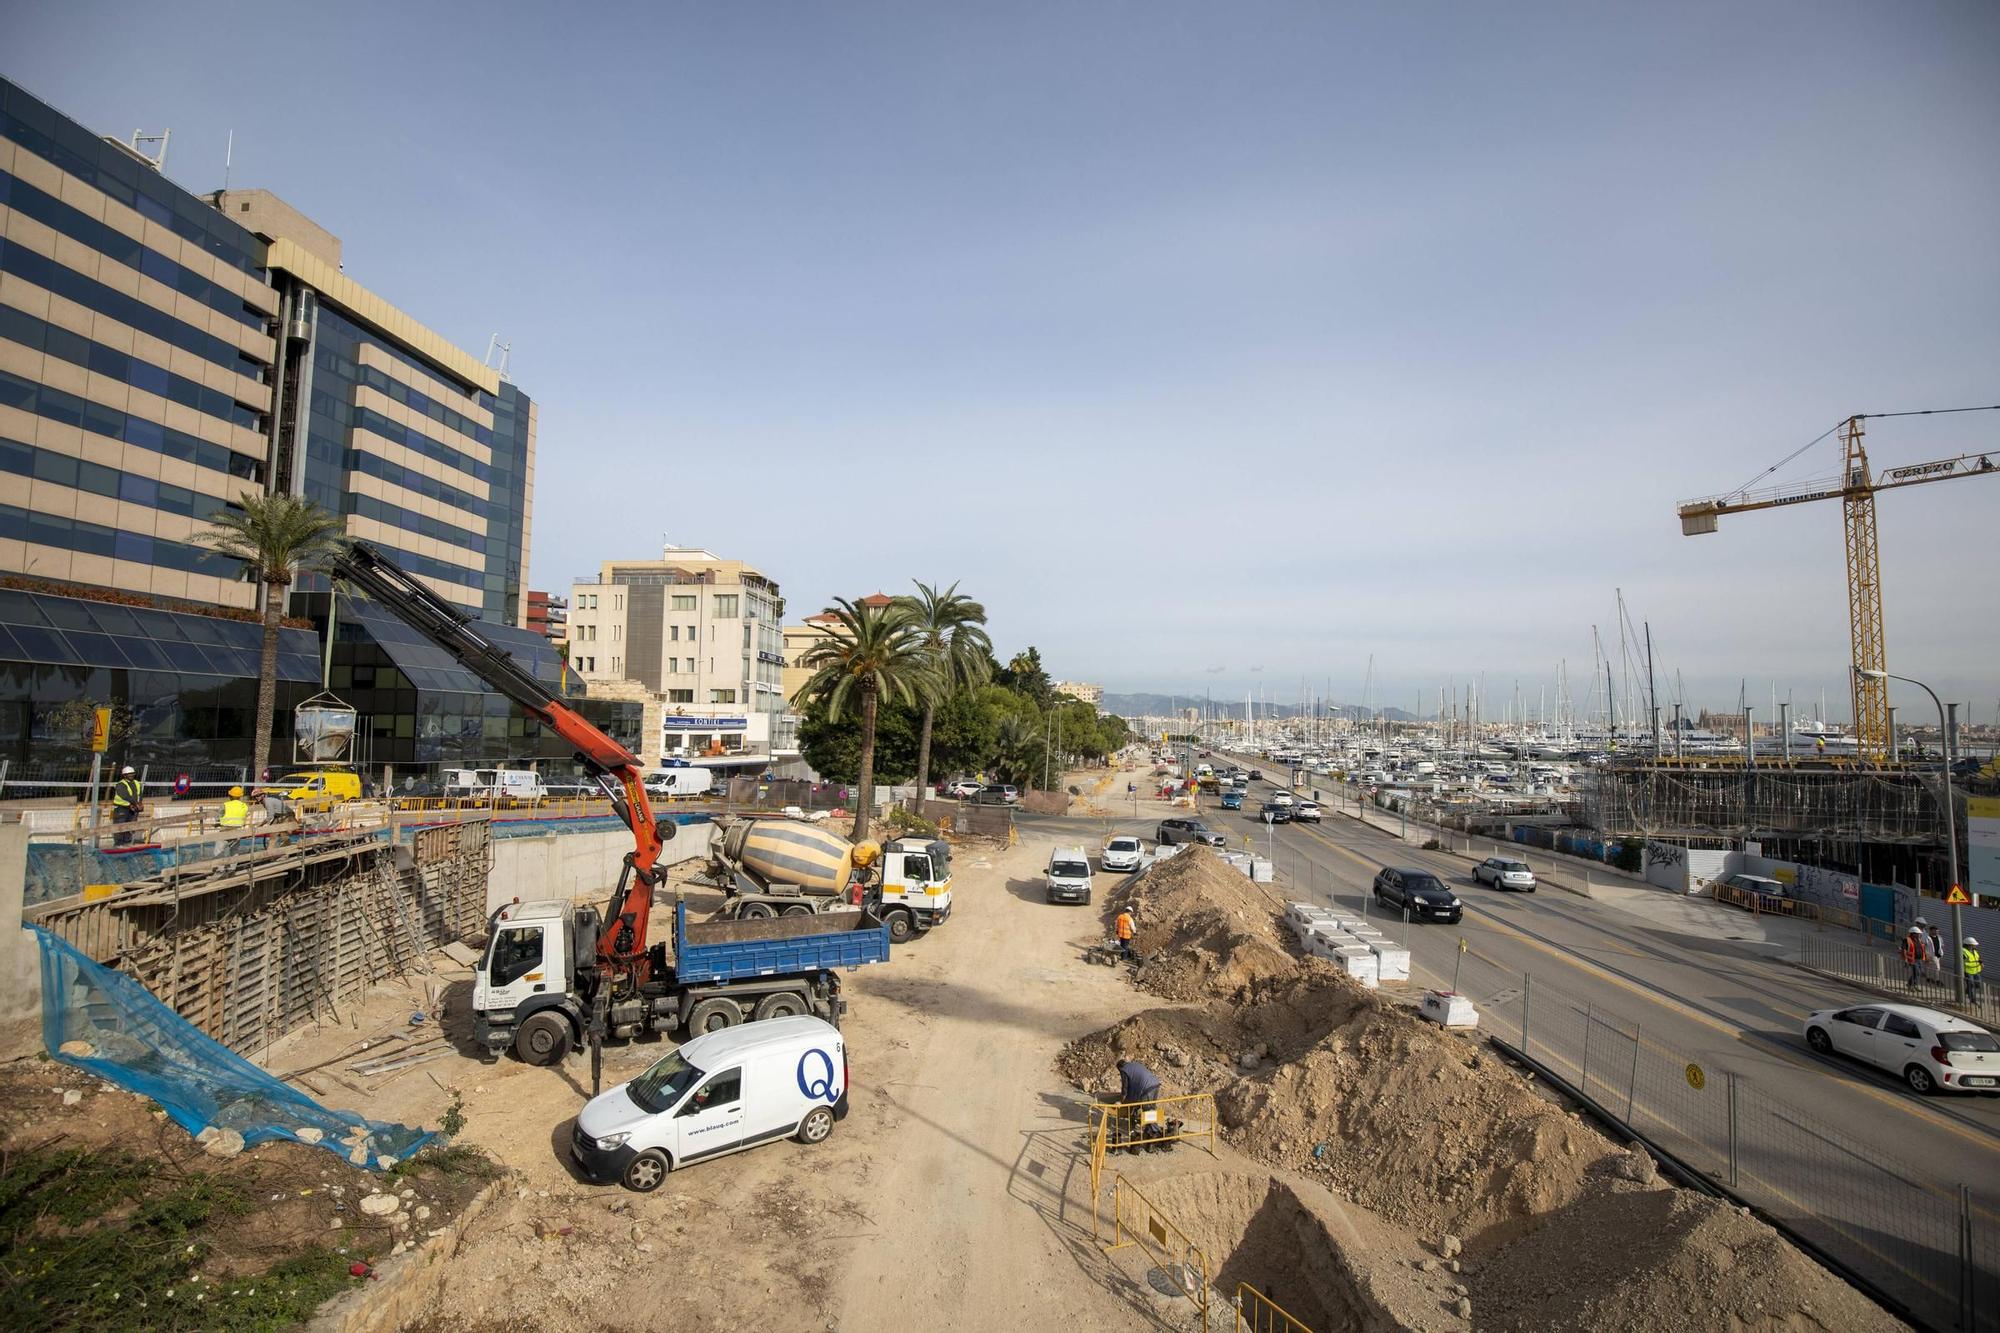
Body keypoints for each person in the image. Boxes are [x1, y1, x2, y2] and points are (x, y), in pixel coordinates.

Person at [109, 765, 144, 845]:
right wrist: (134, 804)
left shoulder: (137, 783)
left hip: (132, 808)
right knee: (120, 826)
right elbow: (125, 796)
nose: (131, 775)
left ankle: (127, 842)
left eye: (132, 773)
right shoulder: (120, 784)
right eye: (129, 774)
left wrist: (140, 803)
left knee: (130, 825)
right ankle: (119, 844)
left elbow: (140, 795)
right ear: (124, 775)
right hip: (121, 808)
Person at [1964, 936, 1984, 1005]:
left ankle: (1967, 991)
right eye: (1974, 944)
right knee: (1971, 985)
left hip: (1976, 971)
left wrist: (1981, 963)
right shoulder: (1963, 952)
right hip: (1968, 971)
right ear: (1969, 945)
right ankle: (1972, 999)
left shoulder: (1974, 951)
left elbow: (1978, 958)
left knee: (1978, 984)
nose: (1975, 945)